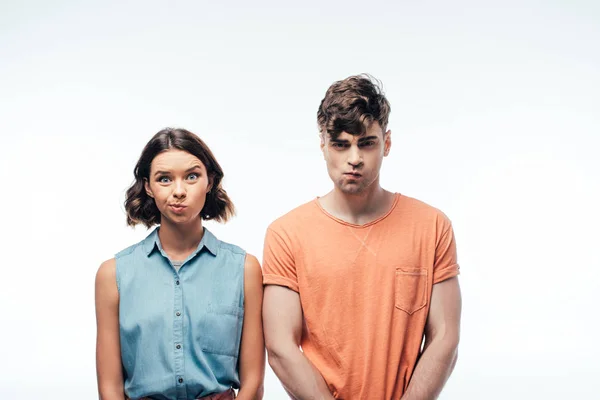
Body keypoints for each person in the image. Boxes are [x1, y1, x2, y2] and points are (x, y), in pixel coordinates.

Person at [262, 75, 462, 399]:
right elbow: (281, 346)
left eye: (366, 143)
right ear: (323, 144)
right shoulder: (286, 234)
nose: (354, 158)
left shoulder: (432, 227)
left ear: (387, 143)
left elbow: (445, 337)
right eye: (341, 144)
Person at [95, 128, 265, 400]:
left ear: (210, 181)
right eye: (164, 179)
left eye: (192, 176)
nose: (179, 191)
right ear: (148, 186)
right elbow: (110, 388)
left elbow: (253, 382)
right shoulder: (113, 274)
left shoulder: (244, 269)